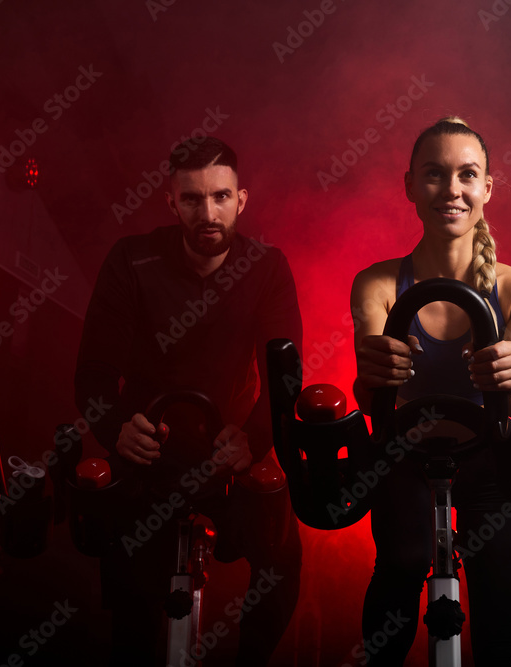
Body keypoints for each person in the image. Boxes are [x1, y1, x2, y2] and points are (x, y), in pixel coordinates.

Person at [74, 136, 302, 665]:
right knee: (131, 608)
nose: (208, 212)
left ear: (241, 200)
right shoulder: (132, 259)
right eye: (193, 199)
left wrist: (255, 437)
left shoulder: (266, 268)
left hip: (231, 448)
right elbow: (94, 371)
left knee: (283, 557)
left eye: (221, 197)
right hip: (147, 450)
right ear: (171, 203)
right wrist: (115, 429)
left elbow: (283, 377)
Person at [349, 117, 511, 665]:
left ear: (487, 187)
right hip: (407, 456)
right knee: (403, 562)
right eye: (435, 175)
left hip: (493, 461)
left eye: (467, 175)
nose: (452, 190)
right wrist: (373, 374)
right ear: (410, 185)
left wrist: (510, 379)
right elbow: (370, 401)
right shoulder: (378, 282)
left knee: (503, 593)